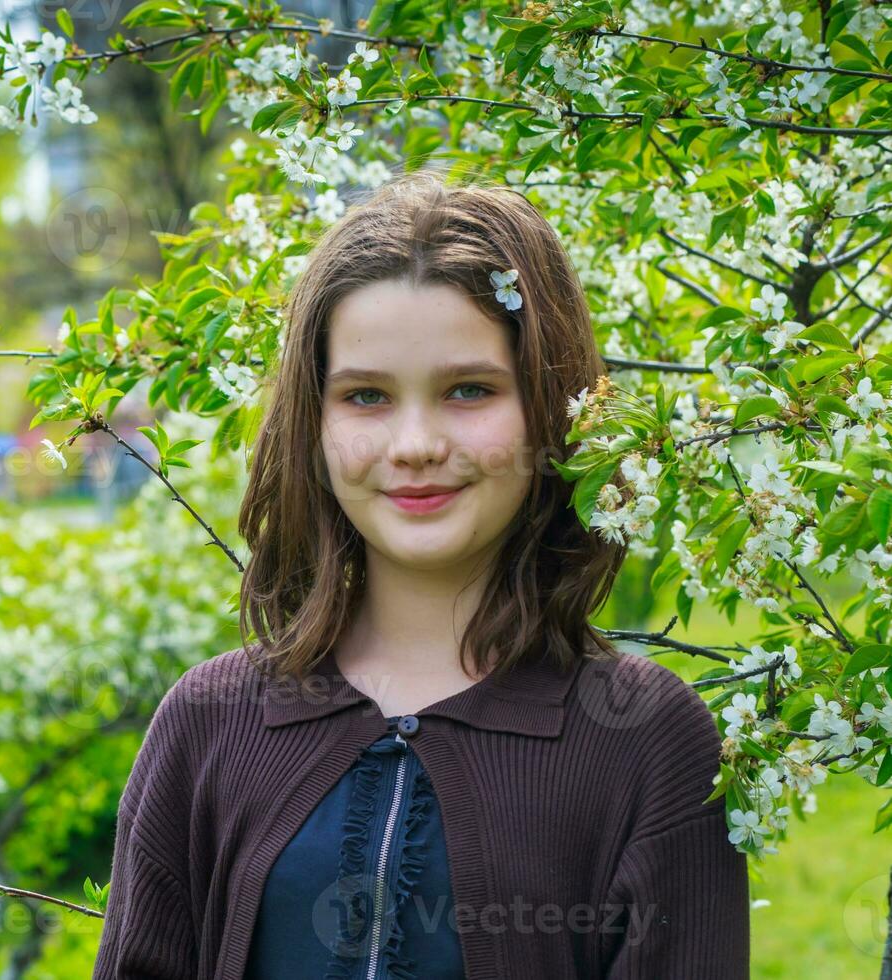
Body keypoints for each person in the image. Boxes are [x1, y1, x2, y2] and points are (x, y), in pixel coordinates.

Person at [92, 169, 751, 979]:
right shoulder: (208, 724)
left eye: (468, 390)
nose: (414, 444)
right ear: (315, 423)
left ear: (554, 408)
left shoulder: (645, 743)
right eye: (366, 396)